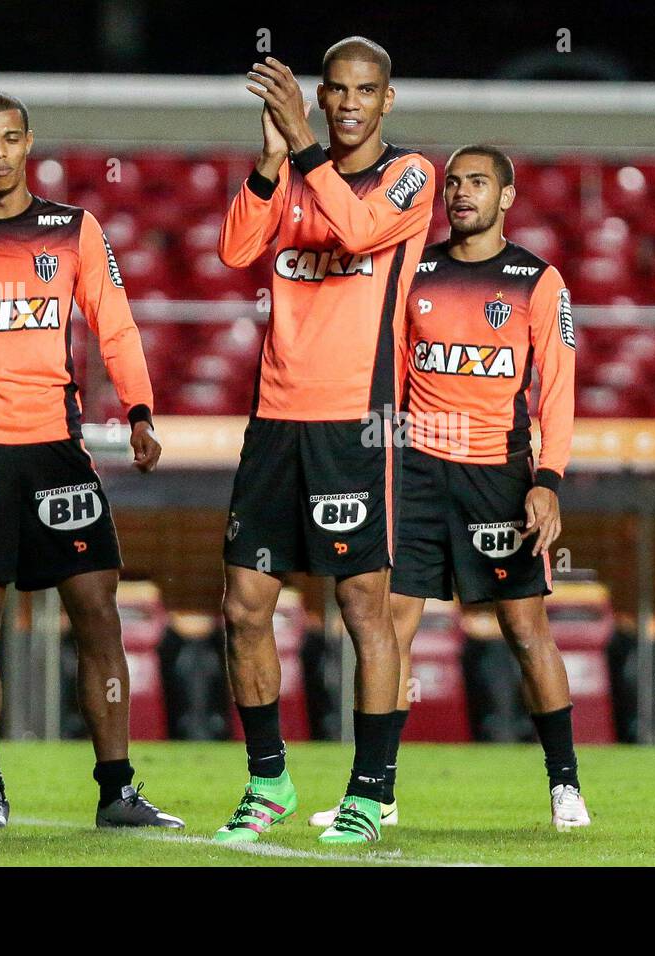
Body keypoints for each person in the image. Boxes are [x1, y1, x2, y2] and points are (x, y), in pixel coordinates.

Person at [0, 91, 183, 830]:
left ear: (29, 142)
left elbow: (115, 324)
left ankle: (116, 791)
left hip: (57, 448)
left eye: (9, 138)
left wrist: (140, 407)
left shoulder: (73, 228)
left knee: (97, 613)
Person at [308, 145, 589, 832]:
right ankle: (373, 790)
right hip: (415, 473)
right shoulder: (416, 271)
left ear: (507, 195)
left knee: (525, 628)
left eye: (478, 183)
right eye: (454, 183)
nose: (462, 194)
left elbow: (557, 387)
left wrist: (548, 481)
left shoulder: (537, 280)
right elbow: (389, 372)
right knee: (389, 624)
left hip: (498, 473)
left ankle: (566, 785)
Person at [214, 38, 435, 844]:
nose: (348, 104)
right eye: (335, 90)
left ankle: (369, 794)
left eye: (364, 91)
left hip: (356, 422)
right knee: (244, 605)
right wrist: (271, 161)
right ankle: (268, 782)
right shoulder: (294, 174)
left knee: (361, 607)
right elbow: (236, 249)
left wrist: (303, 145)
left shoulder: (412, 174)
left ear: (387, 99)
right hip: (276, 419)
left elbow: (359, 228)